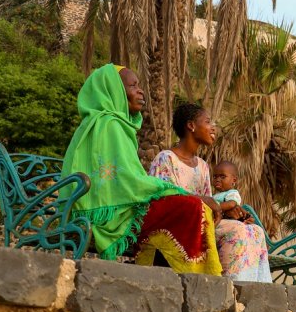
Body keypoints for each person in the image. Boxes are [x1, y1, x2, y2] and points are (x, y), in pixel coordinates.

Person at [60, 63, 222, 275]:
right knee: (190, 206)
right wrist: (188, 195)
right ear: (114, 90)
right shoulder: (109, 124)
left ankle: (179, 276)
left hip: (119, 208)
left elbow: (126, 179)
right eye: (133, 86)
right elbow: (130, 181)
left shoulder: (108, 124)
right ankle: (192, 278)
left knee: (189, 207)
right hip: (115, 214)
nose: (140, 91)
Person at [149, 103, 272, 283]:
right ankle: (230, 288)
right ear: (191, 125)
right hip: (176, 230)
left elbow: (211, 208)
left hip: (203, 225)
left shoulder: (203, 166)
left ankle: (257, 292)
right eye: (207, 122)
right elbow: (161, 201)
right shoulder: (166, 159)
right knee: (238, 232)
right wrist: (208, 204)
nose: (213, 127)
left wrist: (230, 215)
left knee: (254, 230)